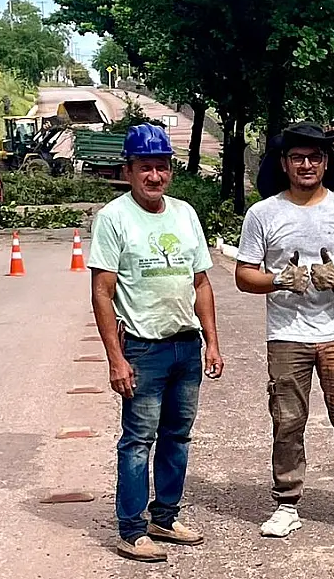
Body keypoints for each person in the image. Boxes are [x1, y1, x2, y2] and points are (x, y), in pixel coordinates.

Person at [235, 121, 334, 538]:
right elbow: (243, 275)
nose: (307, 164)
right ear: (284, 163)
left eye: (315, 157)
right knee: (287, 420)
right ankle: (286, 503)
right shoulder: (263, 213)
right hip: (286, 334)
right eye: (298, 157)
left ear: (326, 162)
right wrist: (280, 280)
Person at [87, 123, 225, 563]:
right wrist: (115, 359)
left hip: (186, 345)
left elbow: (201, 283)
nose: (154, 176)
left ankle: (165, 516)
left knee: (177, 437)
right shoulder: (113, 218)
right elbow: (102, 292)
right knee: (137, 440)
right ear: (128, 170)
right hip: (143, 348)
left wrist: (212, 343)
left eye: (162, 167)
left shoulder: (184, 214)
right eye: (145, 167)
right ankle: (131, 527)